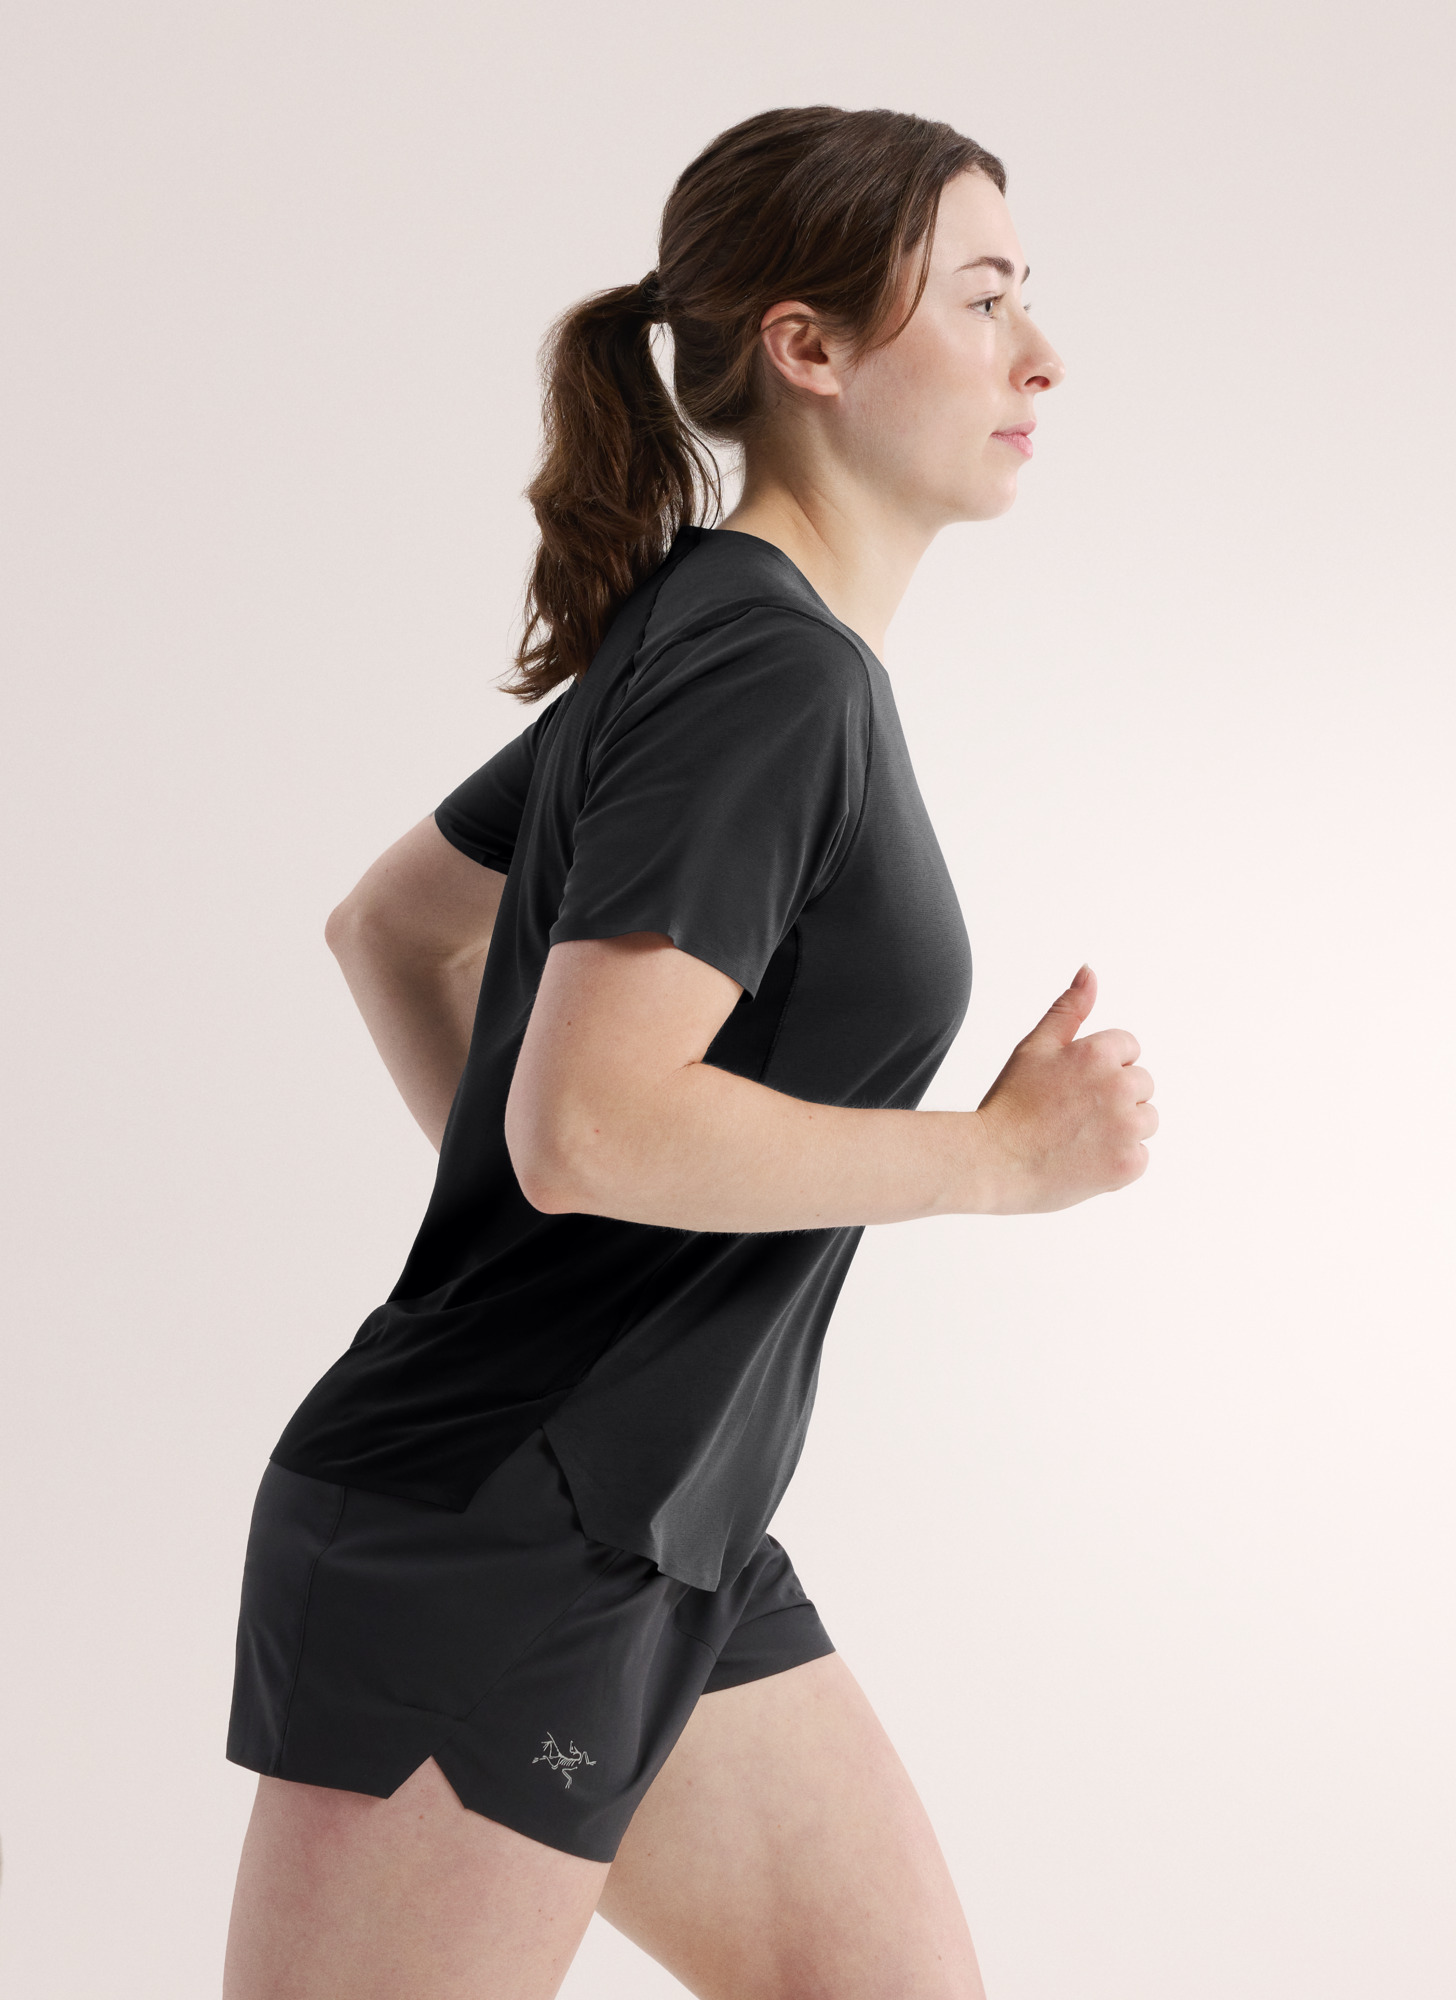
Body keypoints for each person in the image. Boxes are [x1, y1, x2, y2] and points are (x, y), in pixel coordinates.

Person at [221, 104, 1155, 2000]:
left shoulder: (726, 636)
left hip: (667, 1527)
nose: (1041, 354)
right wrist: (997, 1161)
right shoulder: (764, 672)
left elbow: (398, 932)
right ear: (809, 349)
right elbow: (585, 1121)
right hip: (498, 1532)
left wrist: (571, 1221)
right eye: (984, 300)